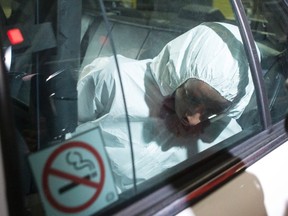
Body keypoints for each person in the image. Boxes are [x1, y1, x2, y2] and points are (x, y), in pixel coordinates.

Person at [77, 22, 259, 190]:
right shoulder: (119, 79)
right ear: (181, 69)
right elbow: (69, 125)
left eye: (213, 111)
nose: (194, 120)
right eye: (192, 98)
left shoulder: (229, 140)